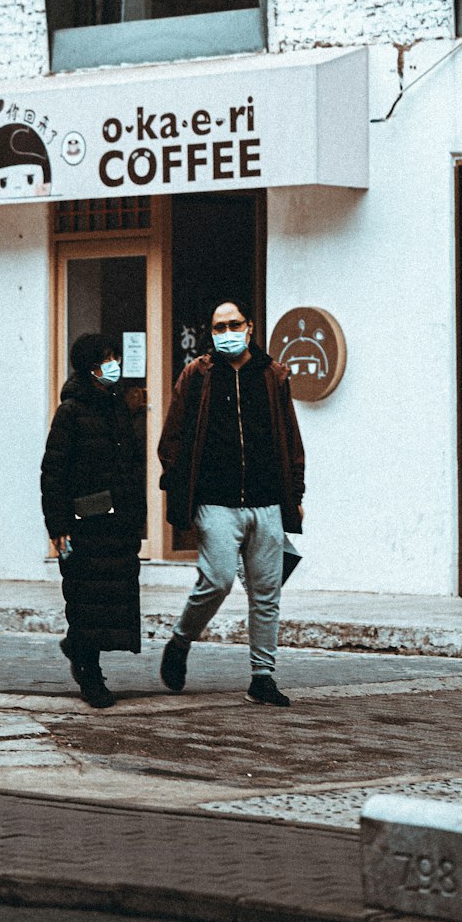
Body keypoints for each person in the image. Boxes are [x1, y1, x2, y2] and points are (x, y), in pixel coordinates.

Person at [157, 297, 305, 707]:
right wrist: (181, 489)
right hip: (216, 501)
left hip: (266, 500)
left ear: (250, 327)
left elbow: (291, 439)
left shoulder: (273, 375)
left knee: (266, 592)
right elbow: (172, 438)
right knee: (217, 579)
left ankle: (262, 676)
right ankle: (181, 639)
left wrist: (295, 494)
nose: (226, 334)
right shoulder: (197, 375)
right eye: (218, 328)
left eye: (233, 325)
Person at [41, 331, 145, 708]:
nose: (113, 364)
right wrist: (58, 527)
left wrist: (136, 516)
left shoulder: (117, 407)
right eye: (105, 358)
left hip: (118, 523)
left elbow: (131, 467)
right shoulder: (70, 412)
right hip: (85, 523)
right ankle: (89, 672)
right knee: (86, 601)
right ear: (89, 367)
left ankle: (77, 648)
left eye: (115, 356)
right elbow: (52, 473)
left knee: (110, 601)